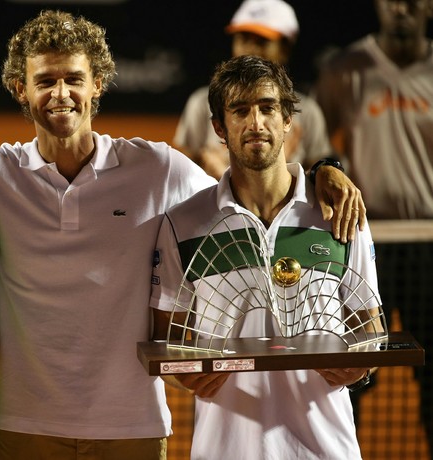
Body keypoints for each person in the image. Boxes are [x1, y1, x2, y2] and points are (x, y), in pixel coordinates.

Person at [0, 10, 364, 460]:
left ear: (98, 87)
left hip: (132, 429)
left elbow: (248, 180)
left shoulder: (156, 169)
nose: (61, 93)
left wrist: (322, 173)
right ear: (21, 89)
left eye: (74, 79)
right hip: (22, 426)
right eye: (45, 80)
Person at [151, 55, 383, 459]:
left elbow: (371, 329)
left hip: (325, 449)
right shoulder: (182, 225)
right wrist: (182, 375)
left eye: (267, 107)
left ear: (288, 120)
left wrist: (362, 368)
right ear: (219, 129)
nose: (256, 123)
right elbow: (162, 342)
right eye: (240, 110)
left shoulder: (340, 215)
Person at [313, 0, 433, 451]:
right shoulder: (345, 71)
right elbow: (321, 152)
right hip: (364, 245)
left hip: (429, 248)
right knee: (354, 370)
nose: (400, 8)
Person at [173, 0, 333, 180]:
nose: (250, 50)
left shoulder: (308, 111)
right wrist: (211, 179)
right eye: (244, 39)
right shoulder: (202, 103)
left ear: (285, 49)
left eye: (262, 41)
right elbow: (181, 176)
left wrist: (277, 169)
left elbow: (318, 178)